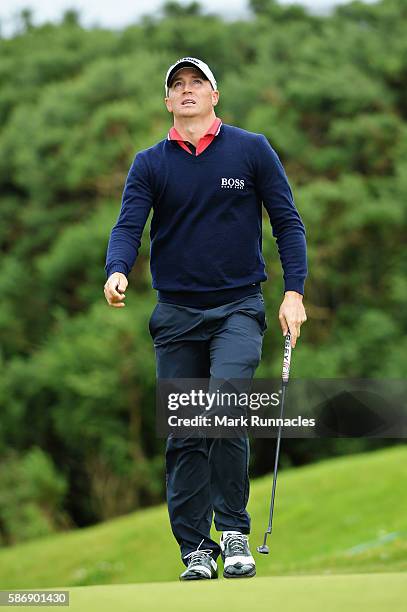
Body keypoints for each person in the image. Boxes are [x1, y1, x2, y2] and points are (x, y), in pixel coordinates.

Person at [104, 57, 307, 580]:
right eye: (178, 86)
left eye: (197, 83)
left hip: (238, 307)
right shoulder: (150, 163)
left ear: (215, 96)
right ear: (168, 102)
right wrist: (118, 269)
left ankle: (234, 532)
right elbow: (129, 225)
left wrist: (294, 294)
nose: (187, 91)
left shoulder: (251, 149)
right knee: (185, 432)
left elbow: (287, 223)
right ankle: (196, 547)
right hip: (175, 314)